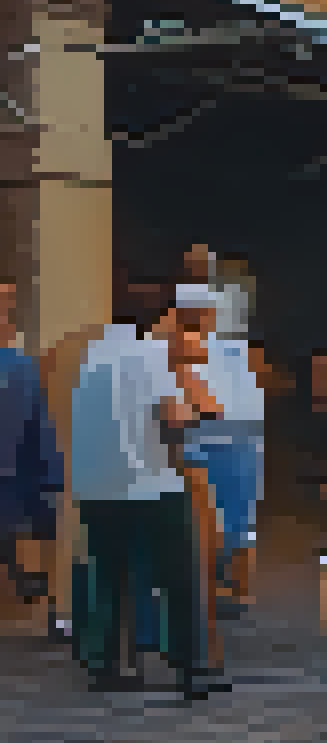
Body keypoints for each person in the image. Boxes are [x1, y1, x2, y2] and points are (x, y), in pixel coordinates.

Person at [71, 280, 226, 698]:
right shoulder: (153, 354)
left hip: (95, 485)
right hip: (149, 482)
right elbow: (173, 418)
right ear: (163, 316)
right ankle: (190, 667)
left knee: (108, 574)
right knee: (179, 573)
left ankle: (104, 664)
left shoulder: (92, 356)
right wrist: (197, 411)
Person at [176, 284, 266, 617]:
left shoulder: (190, 348)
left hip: (210, 440)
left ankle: (220, 591)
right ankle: (237, 592)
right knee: (238, 522)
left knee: (211, 521)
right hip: (237, 439)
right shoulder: (235, 349)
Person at [0, 276, 64, 607]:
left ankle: (37, 584)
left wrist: (54, 474)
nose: (6, 309)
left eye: (8, 301)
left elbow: (37, 420)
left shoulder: (22, 363)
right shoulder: (20, 365)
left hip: (22, 467)